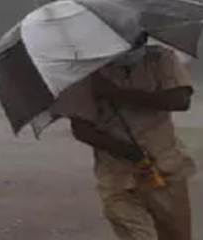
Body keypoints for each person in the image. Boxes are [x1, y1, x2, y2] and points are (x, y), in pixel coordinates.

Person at [55, 43, 195, 240]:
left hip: (165, 169)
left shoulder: (160, 58)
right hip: (116, 177)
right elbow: (82, 129)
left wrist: (118, 93)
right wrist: (127, 151)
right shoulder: (85, 72)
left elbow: (180, 100)